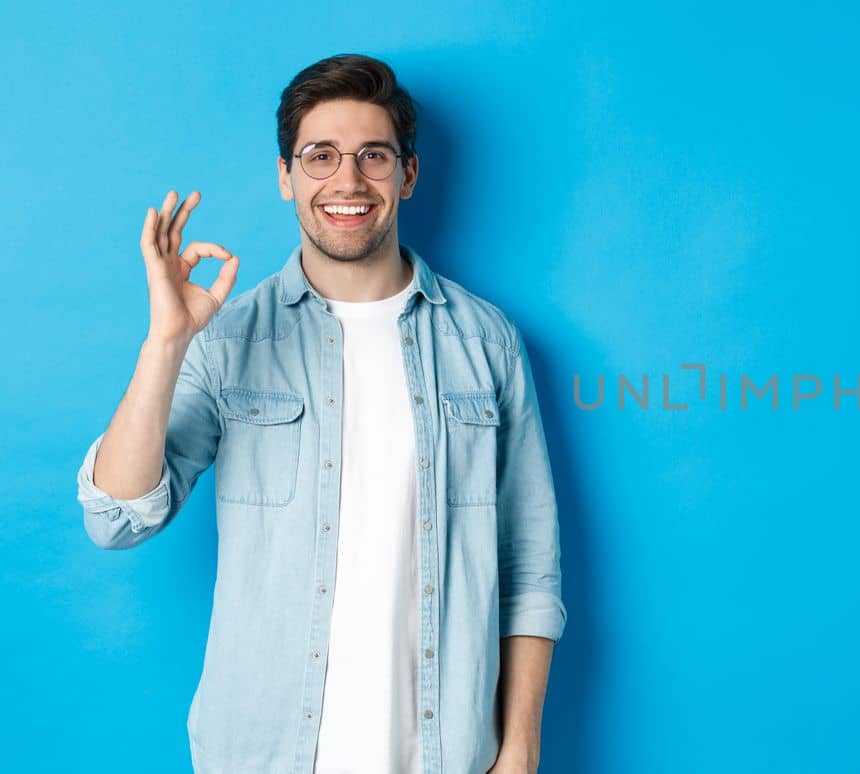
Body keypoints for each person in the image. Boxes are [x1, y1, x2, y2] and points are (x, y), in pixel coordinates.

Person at [73, 53, 565, 774]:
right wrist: (167, 343)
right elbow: (114, 519)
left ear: (408, 175)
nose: (347, 181)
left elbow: (528, 566)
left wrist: (519, 749)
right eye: (320, 156)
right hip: (263, 753)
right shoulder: (228, 339)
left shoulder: (486, 342)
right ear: (285, 177)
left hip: (444, 753)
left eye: (373, 155)